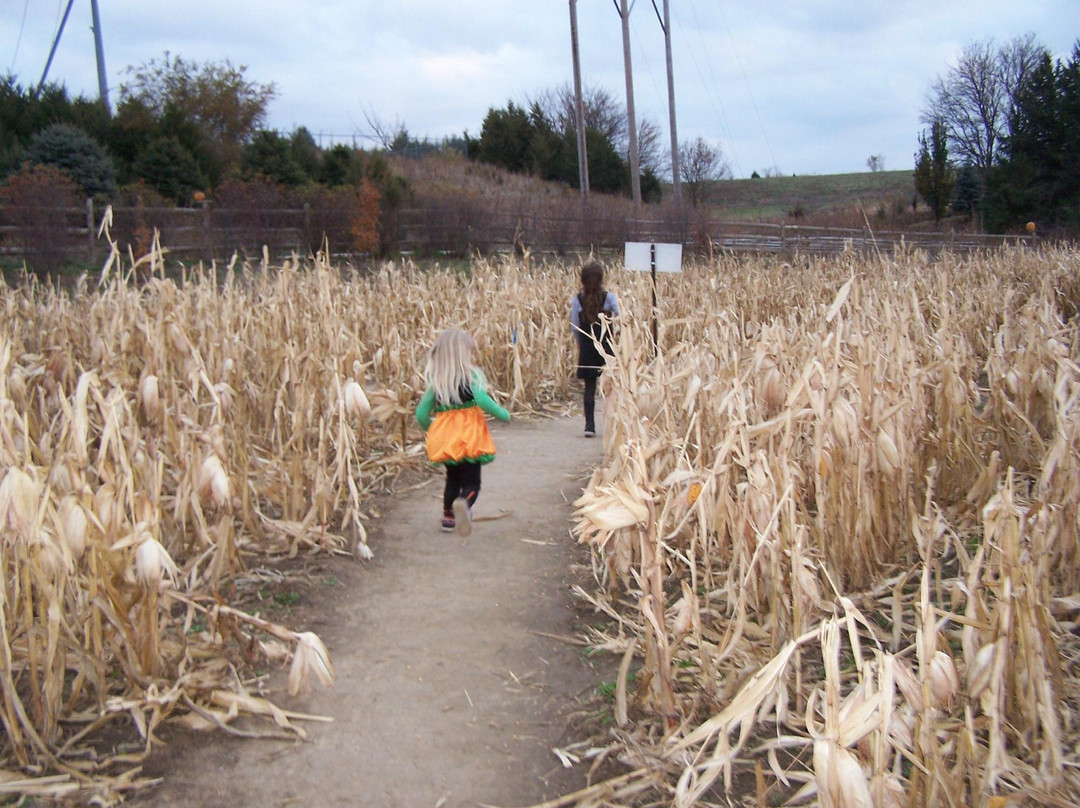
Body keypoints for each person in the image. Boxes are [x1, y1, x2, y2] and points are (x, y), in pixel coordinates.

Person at [415, 329, 510, 536]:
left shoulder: (437, 383)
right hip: (470, 438)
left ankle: (448, 518)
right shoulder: (472, 376)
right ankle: (464, 503)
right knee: (472, 483)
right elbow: (482, 400)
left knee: (453, 478)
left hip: (448, 440)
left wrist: (434, 430)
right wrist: (503, 414)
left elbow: (421, 413)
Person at [570, 259, 619, 437]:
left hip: (587, 349)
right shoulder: (609, 298)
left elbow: (574, 325)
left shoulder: (578, 300)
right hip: (606, 348)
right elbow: (621, 317)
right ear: (601, 279)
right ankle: (613, 425)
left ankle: (589, 426)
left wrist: (579, 341)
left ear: (582, 280)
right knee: (611, 389)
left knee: (589, 388)